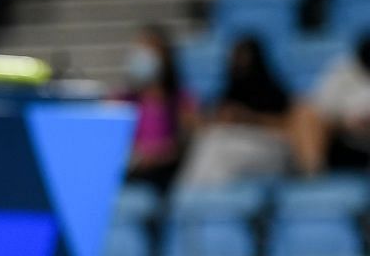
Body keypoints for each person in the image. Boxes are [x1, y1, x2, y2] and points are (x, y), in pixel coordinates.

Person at [176, 36, 294, 188]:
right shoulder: (228, 91)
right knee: (208, 144)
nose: (238, 62)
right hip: (229, 145)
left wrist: (247, 117)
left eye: (243, 57)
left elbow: (288, 126)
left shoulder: (274, 91)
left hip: (267, 147)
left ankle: (198, 199)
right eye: (235, 57)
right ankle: (195, 200)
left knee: (214, 151)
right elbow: (208, 120)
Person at [118, 25, 195, 192]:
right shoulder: (123, 99)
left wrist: (156, 156)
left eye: (149, 49)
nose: (141, 55)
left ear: (165, 56)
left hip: (163, 177)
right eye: (139, 48)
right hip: (130, 173)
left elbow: (186, 144)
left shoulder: (180, 100)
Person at [289, 35, 370, 175]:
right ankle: (313, 176)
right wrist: (345, 123)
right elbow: (323, 107)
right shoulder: (343, 69)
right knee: (304, 112)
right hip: (345, 138)